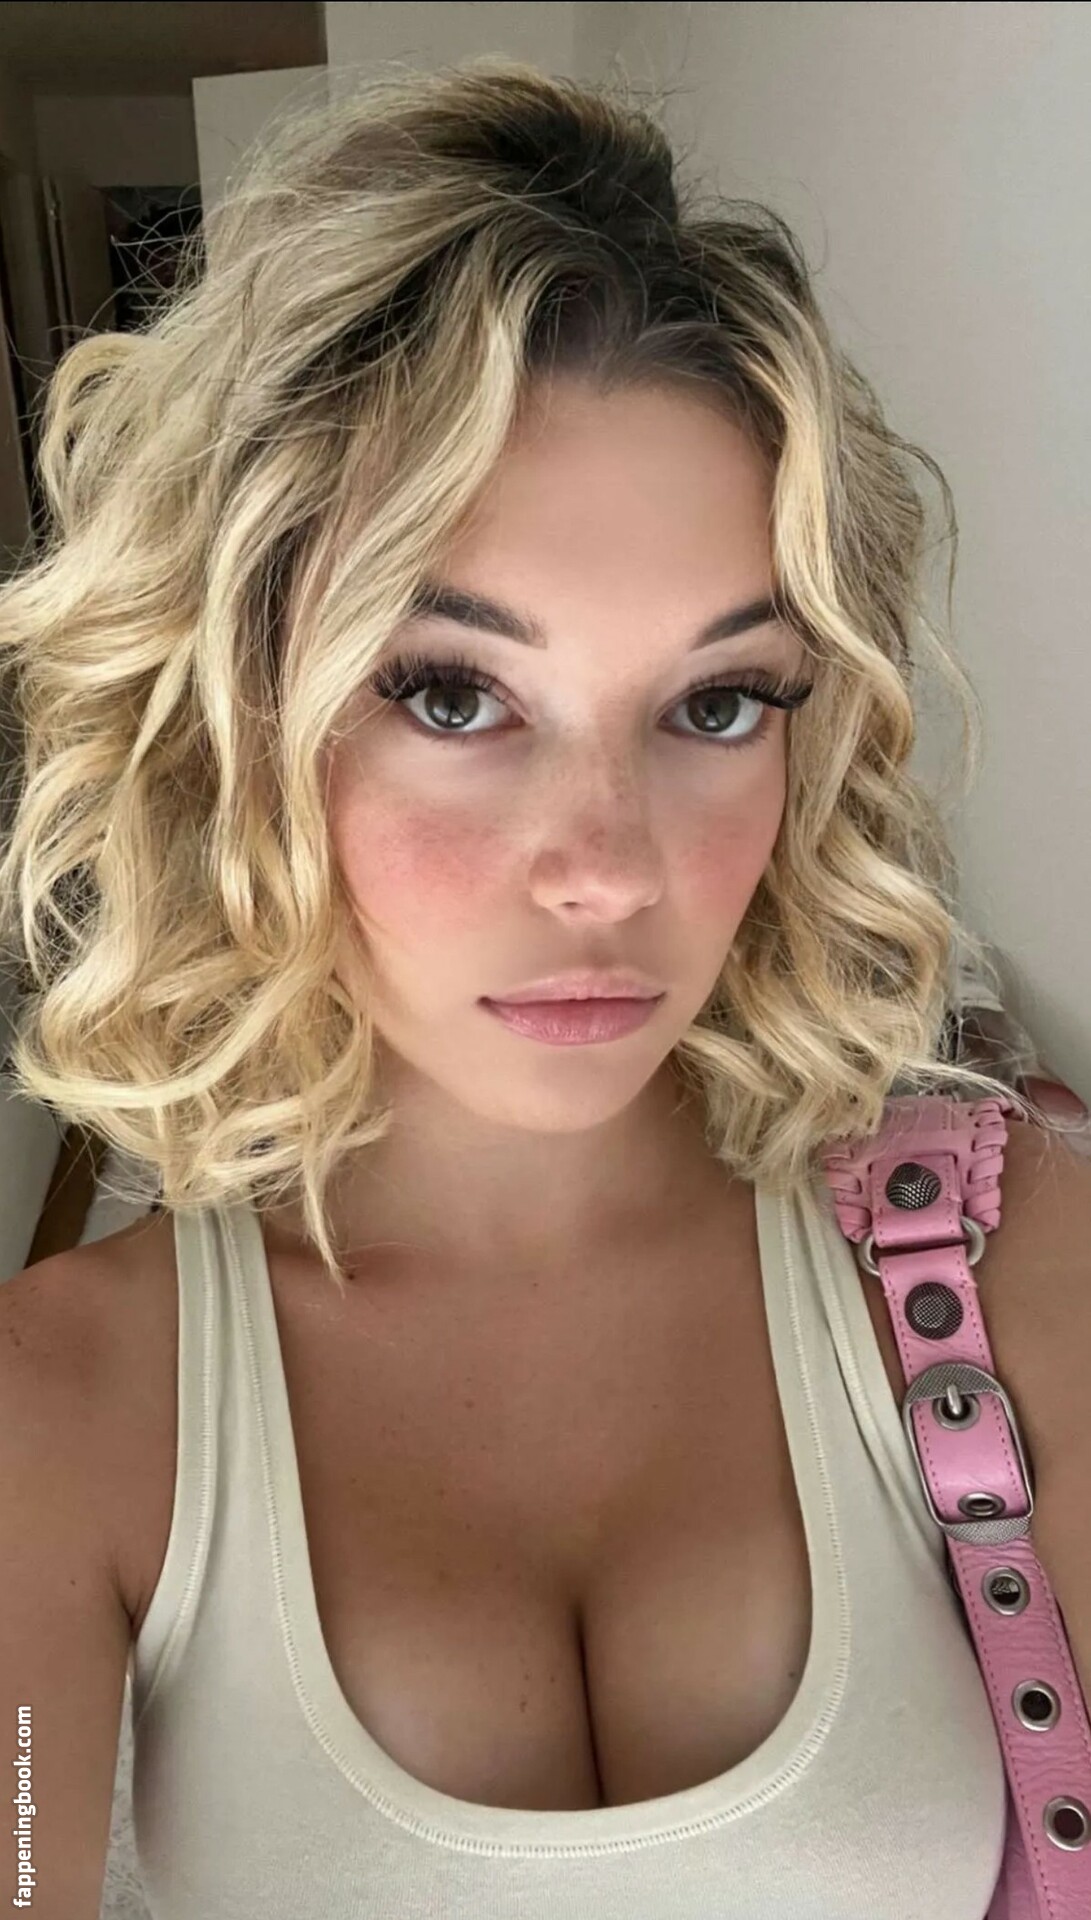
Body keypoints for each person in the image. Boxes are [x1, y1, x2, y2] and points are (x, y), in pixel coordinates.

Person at [0, 55, 1085, 1920]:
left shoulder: (1008, 1261)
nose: (611, 866)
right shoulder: (67, 1412)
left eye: (717, 703)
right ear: (236, 720)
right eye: (452, 695)